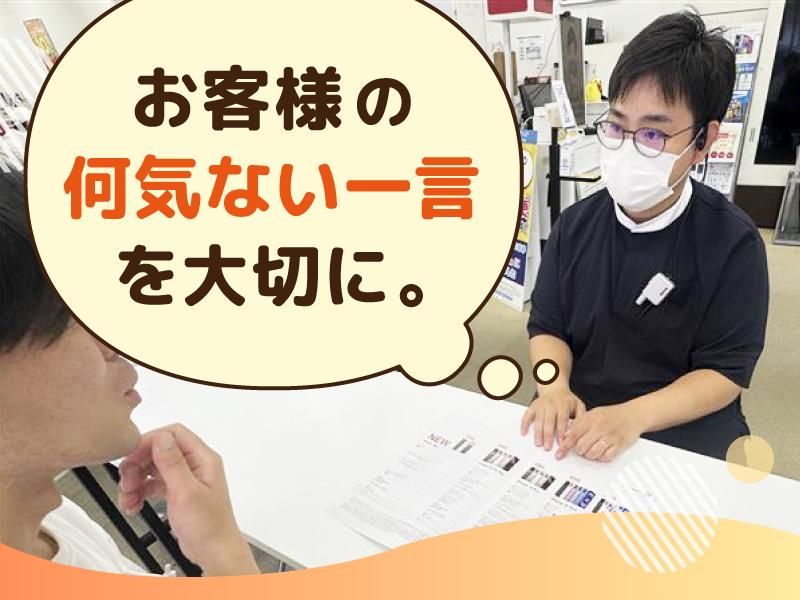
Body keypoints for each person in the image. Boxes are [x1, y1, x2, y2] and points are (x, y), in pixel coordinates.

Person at [520, 11, 769, 462]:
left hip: (680, 428)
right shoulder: (575, 225)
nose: (629, 147)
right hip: (582, 419)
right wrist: (553, 387)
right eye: (617, 126)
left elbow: (725, 372)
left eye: (653, 133)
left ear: (703, 140)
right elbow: (547, 327)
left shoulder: (734, 243)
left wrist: (633, 416)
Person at [0, 169, 259, 575]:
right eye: (70, 319)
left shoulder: (46, 515)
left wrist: (218, 547)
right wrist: (227, 557)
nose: (115, 346)